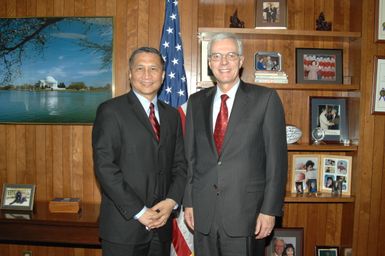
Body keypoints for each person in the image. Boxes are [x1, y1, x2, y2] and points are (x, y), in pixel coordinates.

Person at [183, 32, 288, 255]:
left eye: (231, 55)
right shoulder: (195, 102)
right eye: (217, 56)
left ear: (240, 61)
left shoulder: (266, 99)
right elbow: (190, 158)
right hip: (204, 213)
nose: (223, 62)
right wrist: (189, 202)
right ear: (209, 63)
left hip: (247, 214)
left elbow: (276, 162)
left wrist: (269, 211)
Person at [92, 47, 187, 256]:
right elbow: (105, 168)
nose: (147, 75)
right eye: (140, 68)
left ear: (163, 76)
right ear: (130, 73)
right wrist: (140, 212)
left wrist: (171, 202)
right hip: (123, 229)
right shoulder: (111, 111)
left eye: (153, 69)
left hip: (161, 228)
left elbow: (181, 164)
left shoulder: (171, 116)